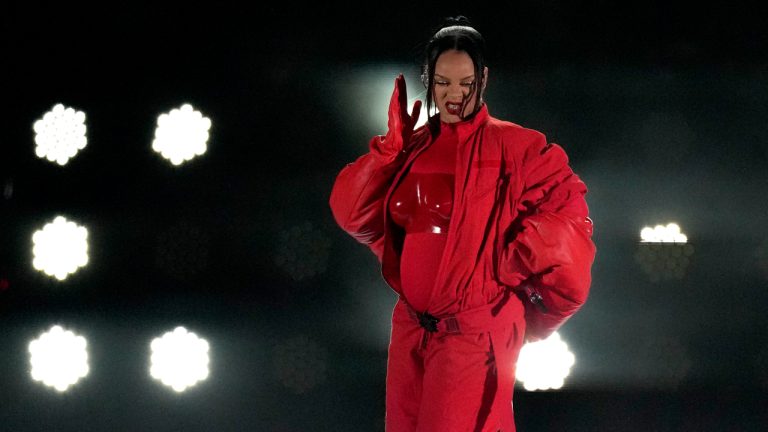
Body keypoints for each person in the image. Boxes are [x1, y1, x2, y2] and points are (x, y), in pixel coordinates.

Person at [329, 16, 595, 432]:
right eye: (443, 82)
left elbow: (569, 235)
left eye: (465, 83)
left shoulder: (519, 148)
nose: (454, 95)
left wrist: (513, 272)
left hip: (472, 337)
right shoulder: (411, 148)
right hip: (413, 331)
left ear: (483, 79)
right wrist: (387, 154)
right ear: (427, 80)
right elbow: (353, 216)